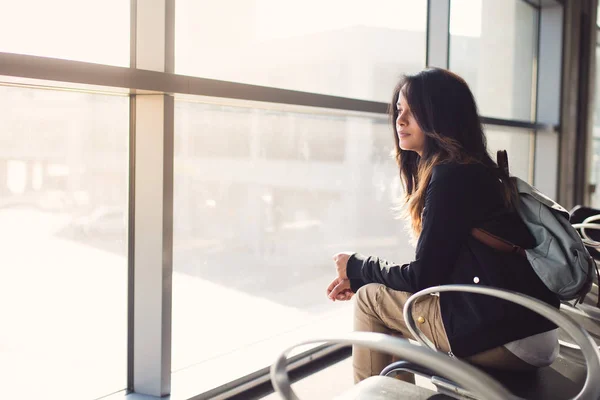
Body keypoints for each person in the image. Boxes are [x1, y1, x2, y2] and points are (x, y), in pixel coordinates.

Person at [325, 68, 560, 383]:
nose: (400, 121)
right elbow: (438, 272)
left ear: (441, 118)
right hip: (529, 328)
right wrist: (361, 274)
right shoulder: (474, 168)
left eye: (413, 112)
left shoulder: (451, 177)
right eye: (399, 111)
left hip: (506, 336)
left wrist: (356, 266)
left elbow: (424, 277)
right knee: (380, 296)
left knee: (370, 299)